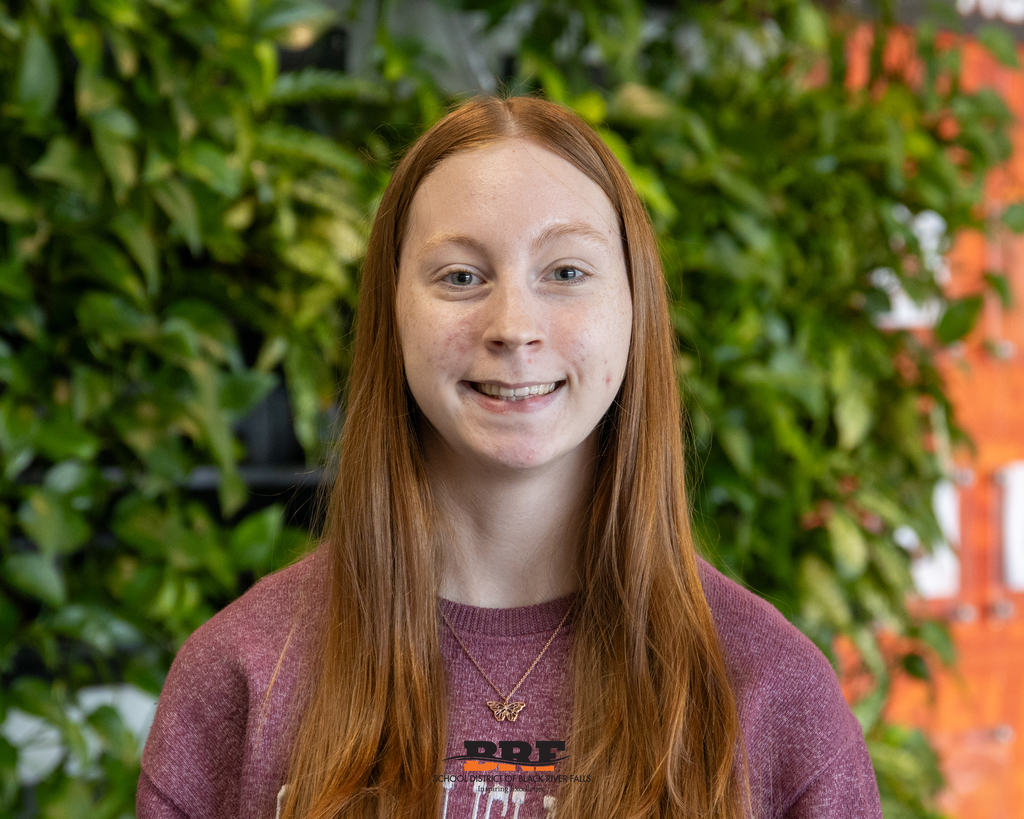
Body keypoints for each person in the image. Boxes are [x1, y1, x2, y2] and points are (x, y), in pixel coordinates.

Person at [137, 96, 882, 819]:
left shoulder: (773, 696)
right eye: (460, 276)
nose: (514, 326)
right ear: (391, 311)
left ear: (634, 308)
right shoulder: (243, 675)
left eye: (565, 272)